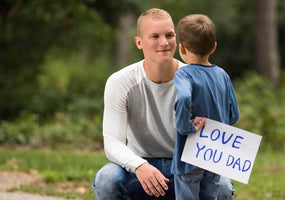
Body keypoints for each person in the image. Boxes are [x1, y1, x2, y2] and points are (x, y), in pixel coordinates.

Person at [92, 8, 235, 200]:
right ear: (139, 42)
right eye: (154, 36)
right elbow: (112, 143)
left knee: (223, 186)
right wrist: (140, 166)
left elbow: (222, 126)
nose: (164, 43)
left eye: (169, 35)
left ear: (178, 40)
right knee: (107, 180)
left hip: (186, 166)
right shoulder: (120, 81)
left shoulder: (198, 78)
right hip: (140, 167)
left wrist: (205, 127)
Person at [172, 14, 240, 200]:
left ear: (182, 48)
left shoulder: (183, 74)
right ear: (214, 47)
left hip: (190, 155)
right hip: (214, 154)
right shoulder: (222, 75)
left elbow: (184, 96)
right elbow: (234, 114)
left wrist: (186, 126)